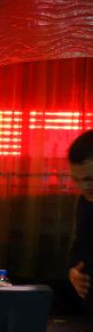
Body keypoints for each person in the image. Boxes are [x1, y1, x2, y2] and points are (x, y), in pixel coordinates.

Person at [67, 129, 93, 305]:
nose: (82, 187)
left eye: (90, 179)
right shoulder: (85, 201)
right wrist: (73, 271)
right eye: (76, 179)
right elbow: (79, 246)